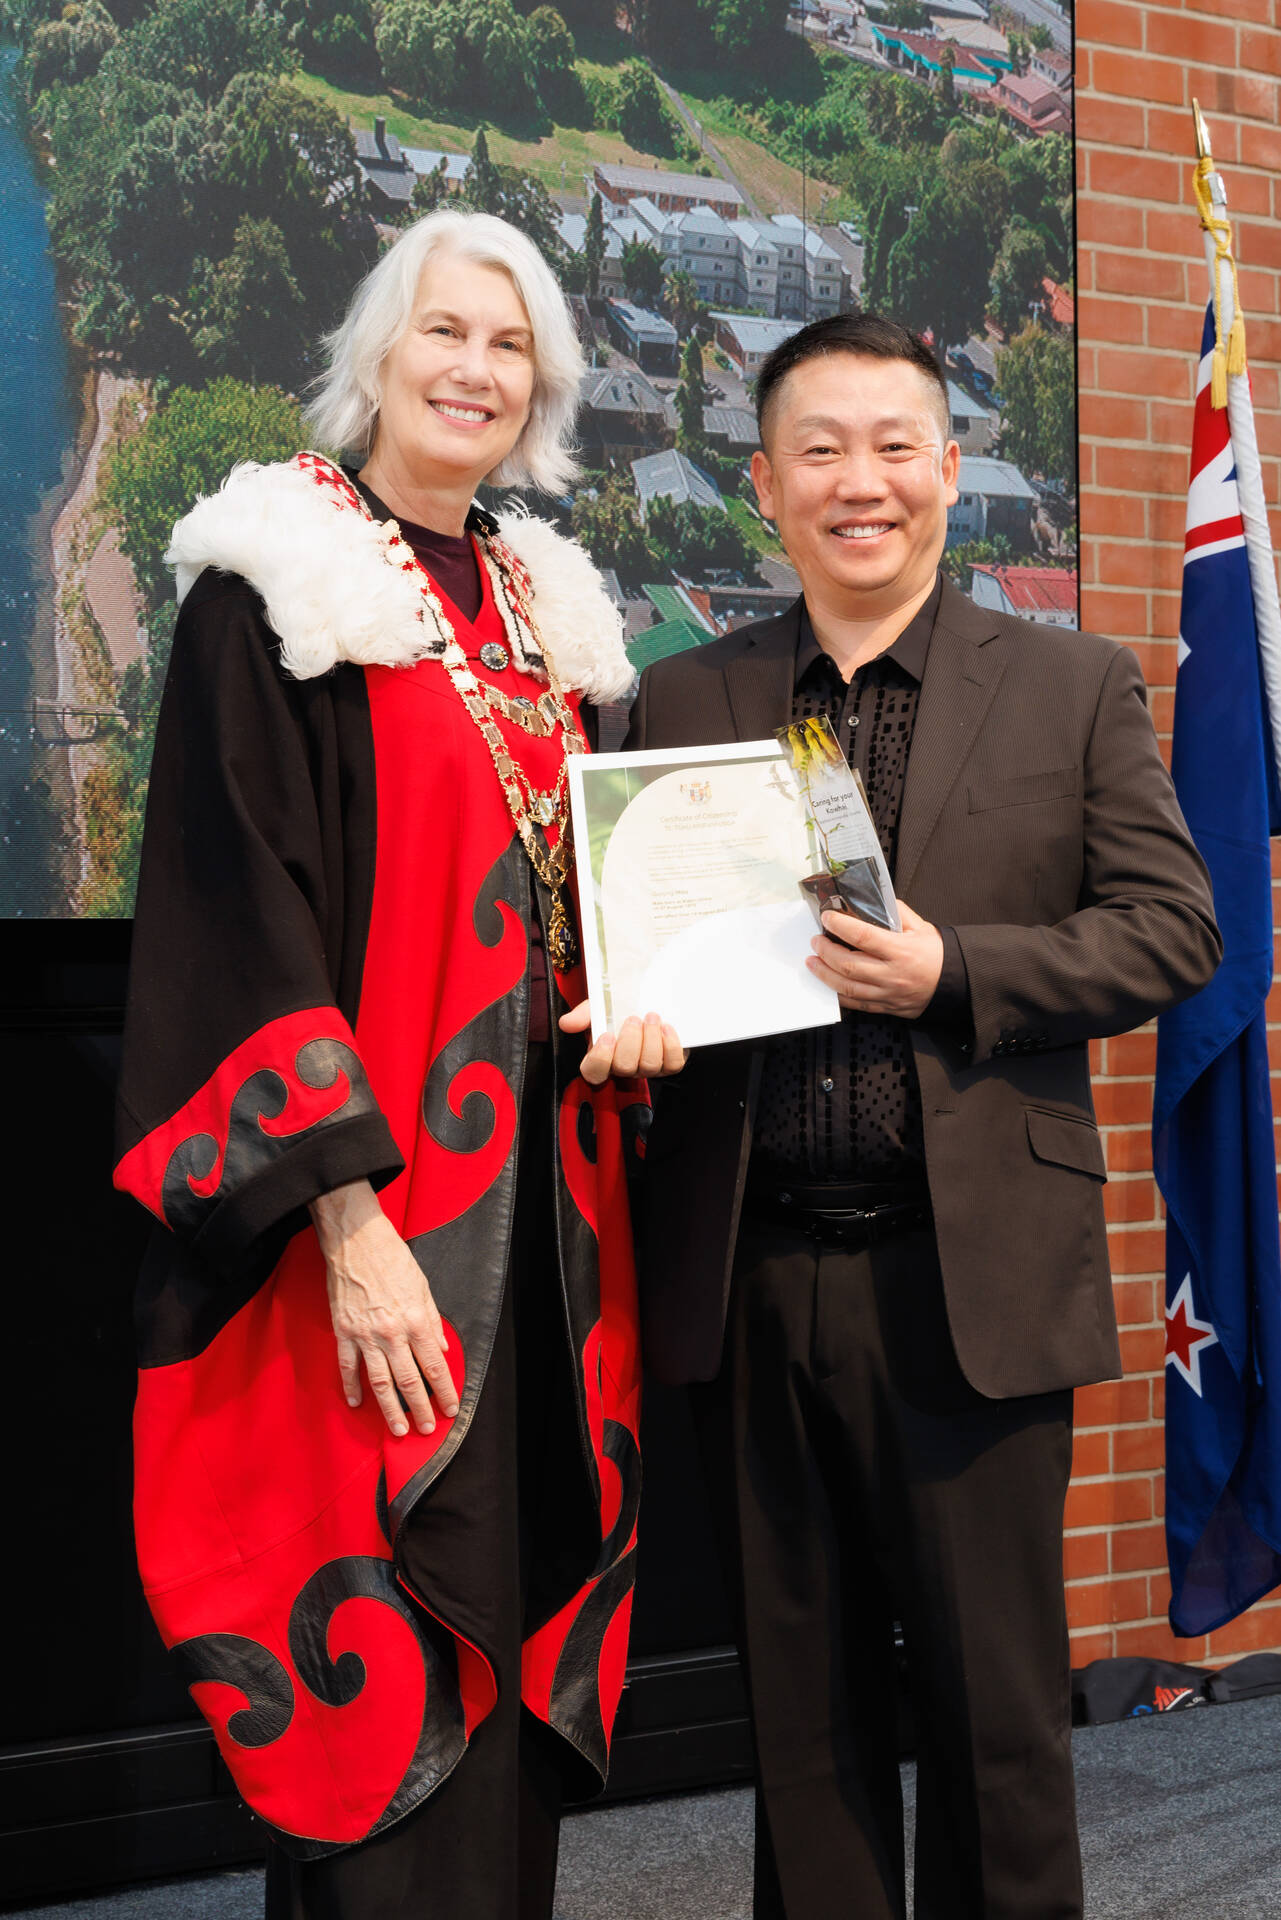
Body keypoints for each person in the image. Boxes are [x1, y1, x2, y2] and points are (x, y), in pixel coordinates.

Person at [112, 208, 679, 1920]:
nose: (473, 371)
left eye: (509, 347)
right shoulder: (277, 584)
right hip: (364, 1241)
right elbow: (235, 920)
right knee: (385, 1670)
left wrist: (638, 1002)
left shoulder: (551, 610)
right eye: (444, 331)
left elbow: (588, 906)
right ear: (378, 349)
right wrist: (349, 1228)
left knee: (498, 1628)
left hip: (545, 1245)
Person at [625, 313, 1221, 1919]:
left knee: (995, 1723)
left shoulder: (1070, 684)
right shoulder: (676, 700)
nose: (859, 481)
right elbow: (630, 947)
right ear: (764, 484)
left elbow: (1175, 932)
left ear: (949, 469)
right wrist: (628, 1028)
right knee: (796, 1726)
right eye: (818, 450)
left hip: (971, 1281)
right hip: (746, 1276)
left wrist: (956, 972)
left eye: (893, 446)